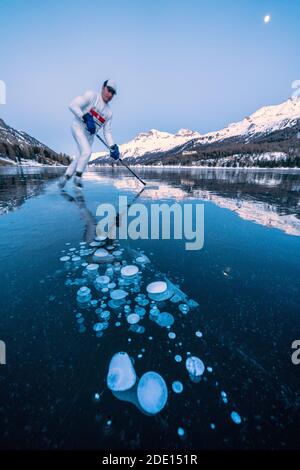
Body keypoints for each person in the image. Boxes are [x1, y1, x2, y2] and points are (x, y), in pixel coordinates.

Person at [58, 79, 120, 189]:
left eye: (113, 93)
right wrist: (85, 117)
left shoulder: (109, 113)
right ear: (103, 87)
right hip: (78, 128)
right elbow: (72, 105)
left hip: (90, 136)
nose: (110, 94)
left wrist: (112, 147)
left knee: (79, 157)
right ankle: (78, 179)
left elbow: (107, 131)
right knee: (87, 152)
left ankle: (65, 178)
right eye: (108, 90)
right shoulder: (91, 96)